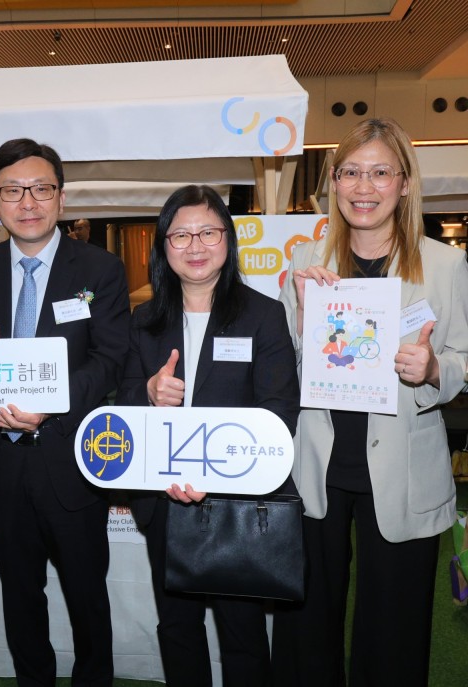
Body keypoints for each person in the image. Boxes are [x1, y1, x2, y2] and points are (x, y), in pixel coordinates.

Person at [272, 117, 468, 687]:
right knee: (307, 626)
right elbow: (285, 366)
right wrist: (307, 315)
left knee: (395, 629)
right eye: (351, 172)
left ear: (405, 183)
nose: (365, 186)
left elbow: (460, 357)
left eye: (381, 172)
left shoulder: (444, 265)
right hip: (318, 465)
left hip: (404, 466)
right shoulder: (309, 260)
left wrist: (433, 369)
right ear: (333, 181)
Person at [0, 138, 131, 685]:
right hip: (2, 466)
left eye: (40, 189)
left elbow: (111, 359)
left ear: (60, 196)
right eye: (12, 190)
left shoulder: (100, 268)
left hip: (72, 460)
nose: (27, 201)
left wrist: (47, 405)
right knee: (19, 593)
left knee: (86, 595)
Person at [115, 185, 300, 687]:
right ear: (163, 245)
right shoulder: (145, 321)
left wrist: (212, 477)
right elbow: (123, 403)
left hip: (235, 503)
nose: (194, 246)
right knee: (177, 627)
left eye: (207, 232)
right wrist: (148, 393)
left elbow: (279, 414)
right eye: (180, 235)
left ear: (228, 239)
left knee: (241, 630)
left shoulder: (262, 315)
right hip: (166, 502)